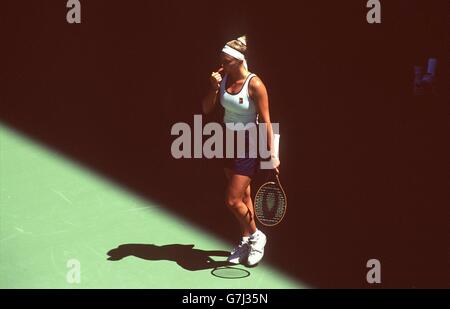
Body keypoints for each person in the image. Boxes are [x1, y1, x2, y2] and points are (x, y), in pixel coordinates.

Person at [201, 35, 280, 266]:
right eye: (222, 61)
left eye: (226, 62)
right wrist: (214, 89)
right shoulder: (223, 79)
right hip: (227, 139)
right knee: (244, 196)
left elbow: (266, 121)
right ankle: (246, 240)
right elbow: (206, 108)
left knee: (232, 199)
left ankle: (257, 236)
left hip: (249, 142)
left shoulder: (255, 84)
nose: (222, 66)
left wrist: (272, 154)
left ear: (239, 61)